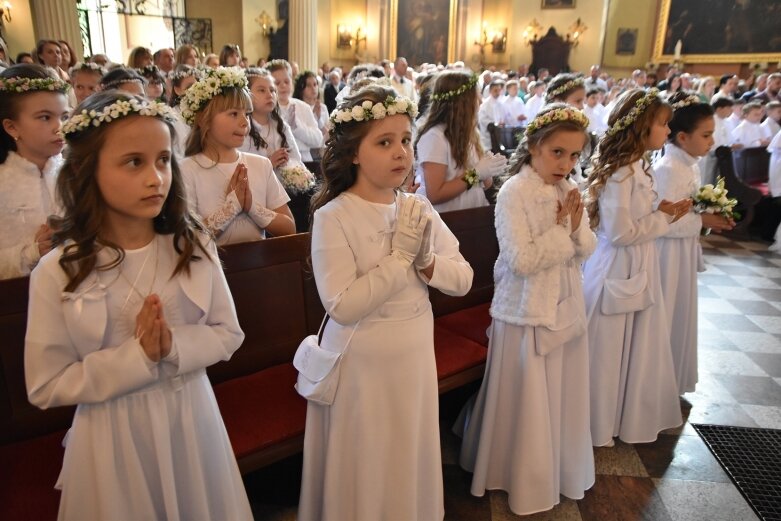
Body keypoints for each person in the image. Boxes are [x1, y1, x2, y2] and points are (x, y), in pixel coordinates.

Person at [24, 90, 253, 520]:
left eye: (164, 160)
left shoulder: (191, 245)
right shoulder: (58, 270)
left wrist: (172, 349)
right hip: (113, 434)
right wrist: (137, 357)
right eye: (134, 162)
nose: (156, 178)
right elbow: (46, 383)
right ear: (86, 170)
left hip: (190, 418)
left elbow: (229, 332)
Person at [298, 84, 473, 521]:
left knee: (405, 444)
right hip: (363, 361)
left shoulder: (418, 207)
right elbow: (342, 305)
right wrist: (400, 259)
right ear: (354, 152)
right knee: (369, 452)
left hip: (412, 351)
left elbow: (464, 279)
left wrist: (428, 261)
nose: (402, 153)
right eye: (385, 142)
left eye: (405, 140)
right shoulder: (333, 216)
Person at [457, 104, 596, 515]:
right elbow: (519, 260)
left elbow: (587, 246)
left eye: (574, 155)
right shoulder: (514, 192)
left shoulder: (567, 188)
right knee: (529, 394)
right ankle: (516, 472)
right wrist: (560, 231)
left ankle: (554, 463)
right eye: (557, 152)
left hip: (564, 299)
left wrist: (572, 226)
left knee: (559, 390)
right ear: (534, 146)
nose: (566, 164)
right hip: (525, 307)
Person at [582, 88, 691, 446]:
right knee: (609, 350)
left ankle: (623, 414)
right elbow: (620, 233)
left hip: (638, 262)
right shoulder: (621, 175)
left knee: (634, 343)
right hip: (619, 266)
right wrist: (662, 217)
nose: (667, 131)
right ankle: (599, 421)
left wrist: (665, 214)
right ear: (642, 127)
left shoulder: (638, 167)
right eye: (662, 124)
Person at [654, 93, 734, 395]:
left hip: (683, 251)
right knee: (667, 310)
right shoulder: (668, 170)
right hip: (667, 255)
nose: (711, 141)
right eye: (706, 135)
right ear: (683, 137)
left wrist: (707, 214)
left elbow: (688, 209)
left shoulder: (690, 165)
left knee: (679, 311)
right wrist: (703, 221)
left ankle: (671, 376)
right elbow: (663, 222)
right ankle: (658, 379)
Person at [178, 67, 295, 244]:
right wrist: (231, 207)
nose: (244, 122)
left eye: (246, 114)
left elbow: (289, 228)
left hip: (259, 266)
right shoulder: (187, 169)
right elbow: (185, 240)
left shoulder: (261, 165)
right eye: (233, 114)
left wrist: (252, 207)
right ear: (204, 119)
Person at [0, 64, 70, 279]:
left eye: (64, 117)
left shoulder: (74, 174)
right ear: (12, 127)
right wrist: (33, 252)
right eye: (45, 117)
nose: (59, 127)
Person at [414, 71, 506, 212]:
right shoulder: (435, 137)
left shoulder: (470, 133)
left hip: (474, 213)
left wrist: (490, 168)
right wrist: (475, 174)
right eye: (476, 96)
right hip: (449, 220)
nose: (481, 101)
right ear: (462, 102)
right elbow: (435, 194)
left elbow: (485, 184)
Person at [240, 67, 302, 169]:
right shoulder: (243, 128)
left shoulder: (282, 126)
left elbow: (297, 161)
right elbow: (242, 168)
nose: (269, 95)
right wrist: (269, 163)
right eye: (262, 90)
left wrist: (289, 165)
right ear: (247, 94)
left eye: (272, 90)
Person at [267, 59, 323, 162]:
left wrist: (298, 129)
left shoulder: (303, 107)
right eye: (277, 83)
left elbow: (318, 140)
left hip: (305, 160)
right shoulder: (267, 109)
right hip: (279, 162)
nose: (283, 86)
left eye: (286, 81)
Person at [293, 70, 329, 136]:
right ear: (301, 89)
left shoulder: (323, 107)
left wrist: (319, 118)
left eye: (315, 84)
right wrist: (313, 115)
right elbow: (302, 133)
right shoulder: (297, 108)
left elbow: (328, 134)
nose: (313, 88)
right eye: (308, 85)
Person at [478, 78, 505, 151]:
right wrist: (494, 124)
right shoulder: (485, 104)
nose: (498, 93)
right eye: (495, 90)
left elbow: (502, 117)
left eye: (499, 90)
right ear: (490, 91)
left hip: (499, 135)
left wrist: (502, 122)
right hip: (488, 137)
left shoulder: (501, 103)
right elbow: (482, 119)